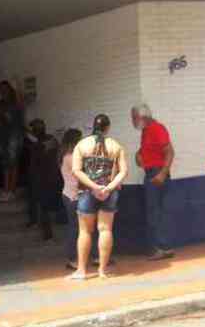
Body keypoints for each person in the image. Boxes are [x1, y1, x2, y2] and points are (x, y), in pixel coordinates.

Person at [68, 115, 128, 280]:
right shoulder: (115, 146)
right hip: (109, 192)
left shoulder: (82, 145)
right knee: (105, 230)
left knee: (85, 231)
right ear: (107, 128)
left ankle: (81, 270)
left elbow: (76, 170)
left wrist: (94, 187)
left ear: (93, 126)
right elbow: (123, 171)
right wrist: (108, 187)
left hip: (88, 192)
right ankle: (102, 269)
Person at [131, 104, 175, 261]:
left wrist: (163, 173)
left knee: (155, 213)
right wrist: (139, 154)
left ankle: (161, 248)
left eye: (134, 117)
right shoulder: (146, 131)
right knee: (155, 212)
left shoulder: (157, 128)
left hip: (157, 173)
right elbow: (148, 152)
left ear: (143, 117)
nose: (132, 121)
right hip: (151, 172)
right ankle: (163, 247)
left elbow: (169, 151)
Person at [26, 119, 61, 241]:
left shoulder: (35, 142)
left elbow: (34, 158)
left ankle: (45, 231)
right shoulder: (51, 139)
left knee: (42, 205)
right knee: (43, 204)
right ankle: (37, 223)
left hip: (39, 177)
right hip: (51, 176)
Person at [0, 81, 25, 202]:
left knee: (13, 162)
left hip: (15, 134)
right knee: (5, 163)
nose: (3, 91)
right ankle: (6, 189)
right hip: (4, 135)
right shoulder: (1, 103)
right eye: (1, 89)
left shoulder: (16, 102)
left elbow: (20, 109)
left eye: (5, 89)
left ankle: (12, 190)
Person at [60, 128, 83, 270]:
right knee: (76, 229)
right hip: (74, 195)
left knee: (74, 228)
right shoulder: (72, 157)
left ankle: (74, 258)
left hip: (67, 194)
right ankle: (73, 258)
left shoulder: (63, 155)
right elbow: (79, 177)